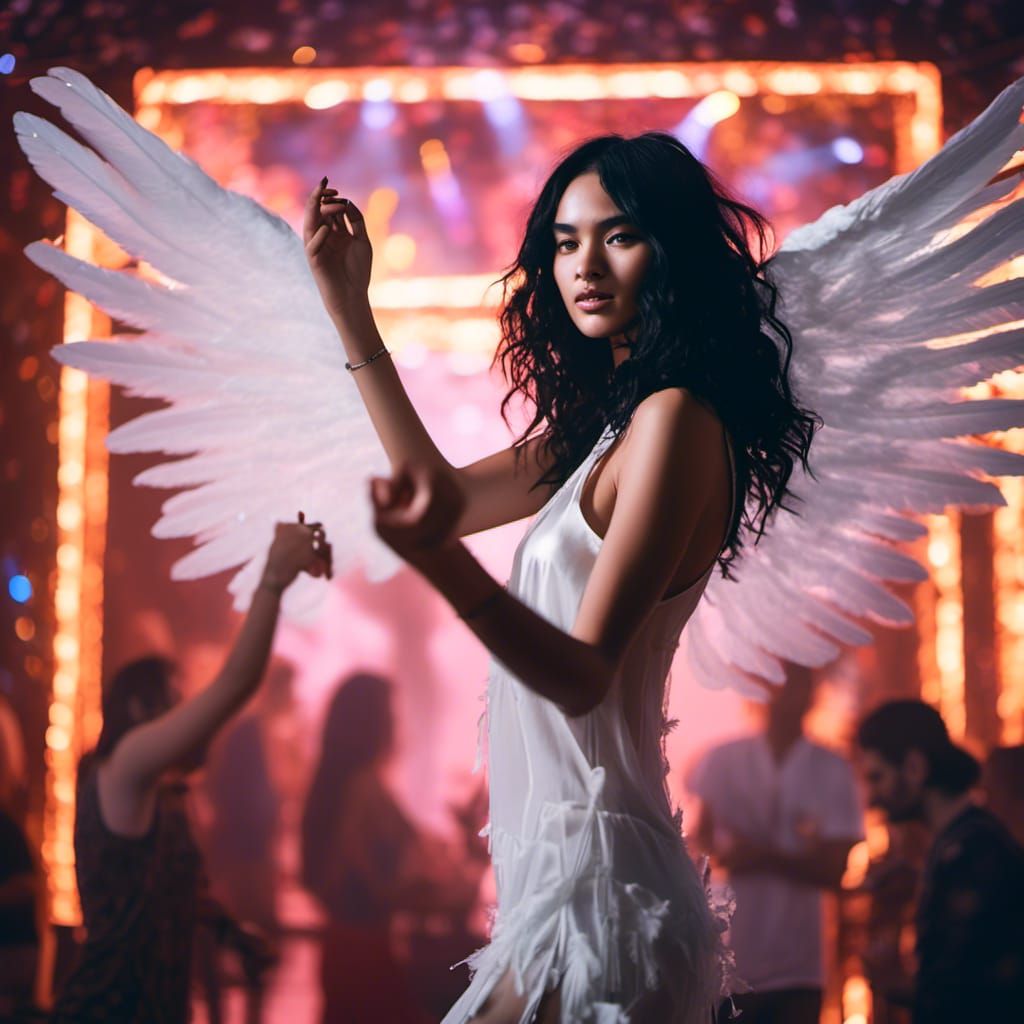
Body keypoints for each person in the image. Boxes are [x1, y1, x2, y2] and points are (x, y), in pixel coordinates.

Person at [303, 131, 818, 1024]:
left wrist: (437, 562)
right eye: (566, 240)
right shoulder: (609, 428)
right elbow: (450, 499)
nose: (586, 265)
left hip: (605, 899)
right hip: (558, 894)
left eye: (618, 236)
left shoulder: (675, 421)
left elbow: (584, 675)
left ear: (673, 252)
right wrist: (351, 310)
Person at [51, 518, 331, 1024]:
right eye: (175, 701)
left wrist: (232, 935)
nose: (187, 715)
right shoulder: (126, 764)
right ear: (138, 709)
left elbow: (175, 892)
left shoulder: (161, 795)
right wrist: (273, 578)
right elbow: (234, 687)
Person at [301, 672, 484, 1024]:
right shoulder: (364, 791)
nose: (397, 723)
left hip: (349, 947)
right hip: (365, 955)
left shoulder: (345, 787)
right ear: (371, 722)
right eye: (389, 713)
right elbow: (381, 885)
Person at [688, 665, 863, 1024]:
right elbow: (699, 843)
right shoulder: (723, 760)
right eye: (777, 685)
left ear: (811, 693)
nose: (785, 697)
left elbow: (835, 870)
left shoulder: (832, 769)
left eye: (795, 686)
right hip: (731, 959)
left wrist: (761, 857)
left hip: (799, 966)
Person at [856, 700, 1024, 1024]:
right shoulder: (959, 846)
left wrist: (894, 981)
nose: (871, 798)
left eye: (877, 777)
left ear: (915, 768)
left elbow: (969, 994)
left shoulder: (971, 851)